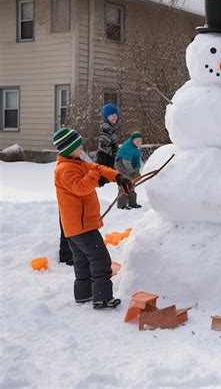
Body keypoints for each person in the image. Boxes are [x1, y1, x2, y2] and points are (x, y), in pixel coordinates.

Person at [52, 127, 132, 309]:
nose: (81, 149)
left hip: (75, 227)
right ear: (68, 148)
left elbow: (96, 168)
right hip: (82, 226)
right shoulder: (65, 169)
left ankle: (84, 295)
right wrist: (96, 178)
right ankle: (102, 298)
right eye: (78, 146)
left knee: (82, 262)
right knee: (100, 260)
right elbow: (81, 187)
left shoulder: (76, 162)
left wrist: (117, 176)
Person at [115, 131, 143, 210]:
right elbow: (126, 164)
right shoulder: (128, 147)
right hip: (121, 164)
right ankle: (121, 205)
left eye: (140, 140)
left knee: (132, 182)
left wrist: (137, 172)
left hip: (130, 164)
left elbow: (137, 161)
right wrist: (134, 173)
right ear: (132, 140)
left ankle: (132, 203)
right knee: (125, 182)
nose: (139, 142)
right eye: (137, 140)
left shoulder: (137, 147)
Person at [97, 103, 120, 186]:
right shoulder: (106, 129)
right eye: (110, 115)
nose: (113, 117)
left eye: (115, 114)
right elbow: (102, 150)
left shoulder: (112, 128)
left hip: (109, 157)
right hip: (104, 157)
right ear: (106, 117)